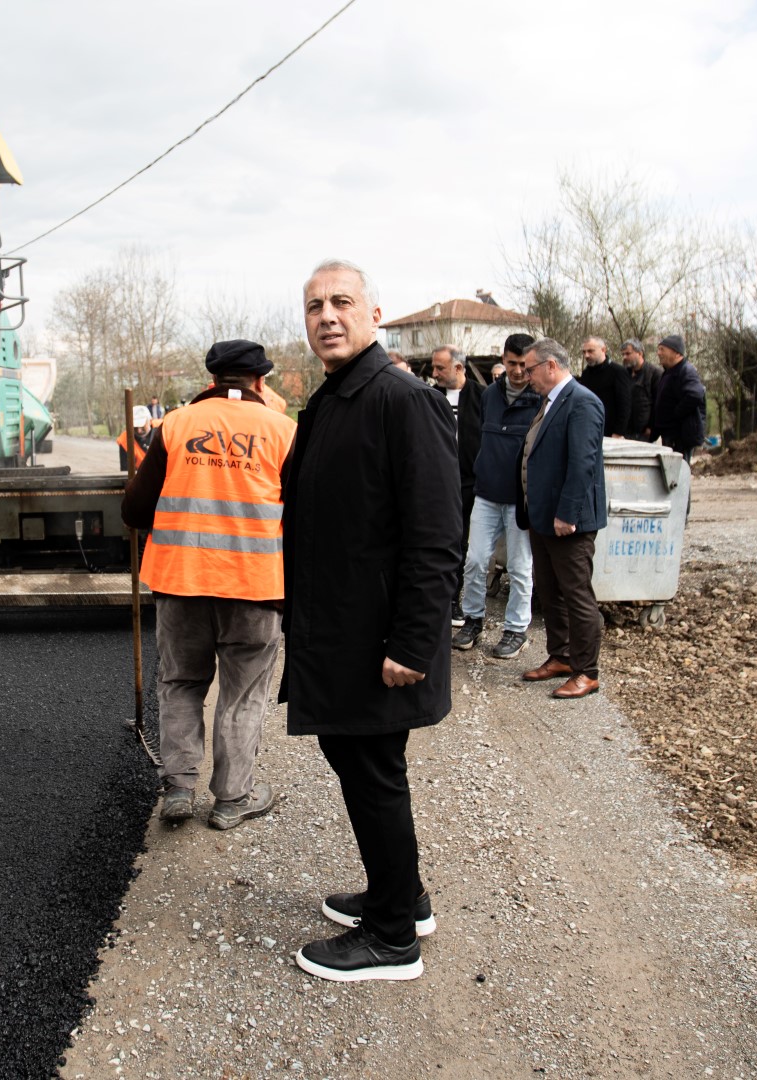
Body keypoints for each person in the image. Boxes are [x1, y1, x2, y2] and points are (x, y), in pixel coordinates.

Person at [281, 260, 460, 983]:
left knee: (371, 767)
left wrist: (415, 641)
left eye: (342, 302)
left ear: (374, 313)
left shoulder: (400, 399)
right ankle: (402, 899)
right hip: (337, 629)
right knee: (359, 761)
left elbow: (436, 533)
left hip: (378, 637)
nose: (327, 315)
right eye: (314, 305)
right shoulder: (335, 400)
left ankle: (392, 939)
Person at [121, 340, 298, 829]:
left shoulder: (175, 425)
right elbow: (306, 519)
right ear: (261, 381)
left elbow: (134, 511)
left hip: (181, 584)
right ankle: (231, 799)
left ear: (211, 380)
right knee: (242, 694)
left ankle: (178, 789)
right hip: (256, 589)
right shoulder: (285, 432)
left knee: (180, 682)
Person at [517, 339, 607, 700]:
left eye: (530, 369)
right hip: (542, 518)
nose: (525, 376)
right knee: (550, 591)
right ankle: (562, 656)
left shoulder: (582, 402)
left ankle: (587, 671)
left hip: (567, 522)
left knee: (576, 595)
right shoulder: (550, 402)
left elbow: (583, 463)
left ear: (551, 366)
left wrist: (566, 513)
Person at [454, 334, 542, 660]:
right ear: (503, 360)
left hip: (520, 499)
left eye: (524, 364)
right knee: (475, 560)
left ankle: (516, 629)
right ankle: (473, 619)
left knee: (520, 567)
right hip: (487, 494)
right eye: (512, 363)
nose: (518, 371)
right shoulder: (489, 395)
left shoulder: (539, 399)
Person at [430, 346, 482, 628]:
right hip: (439, 483)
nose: (434, 373)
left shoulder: (481, 398)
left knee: (466, 547)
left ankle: (458, 600)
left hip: (470, 482)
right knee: (444, 542)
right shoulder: (431, 397)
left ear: (459, 368)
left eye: (440, 368)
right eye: (434, 367)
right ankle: (444, 600)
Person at [650, 334, 706, 461]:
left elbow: (695, 394)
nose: (658, 353)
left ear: (676, 353)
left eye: (662, 349)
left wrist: (676, 414)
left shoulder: (686, 371)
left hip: (680, 436)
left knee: (679, 474)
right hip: (670, 434)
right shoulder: (669, 372)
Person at [576, 336, 632, 438]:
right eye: (584, 352)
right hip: (589, 429)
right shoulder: (586, 374)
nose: (586, 355)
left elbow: (624, 405)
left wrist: (618, 432)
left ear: (603, 350)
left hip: (611, 431)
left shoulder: (618, 372)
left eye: (590, 351)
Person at [621, 339, 660, 441]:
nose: (625, 357)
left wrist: (651, 427)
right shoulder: (624, 374)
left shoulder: (654, 374)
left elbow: (658, 403)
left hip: (644, 432)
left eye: (628, 354)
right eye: (623, 354)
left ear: (640, 353)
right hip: (626, 430)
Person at [116, 405, 155, 471]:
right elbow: (126, 472)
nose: (139, 430)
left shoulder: (163, 430)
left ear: (150, 421)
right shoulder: (125, 441)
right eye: (135, 427)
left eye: (142, 426)